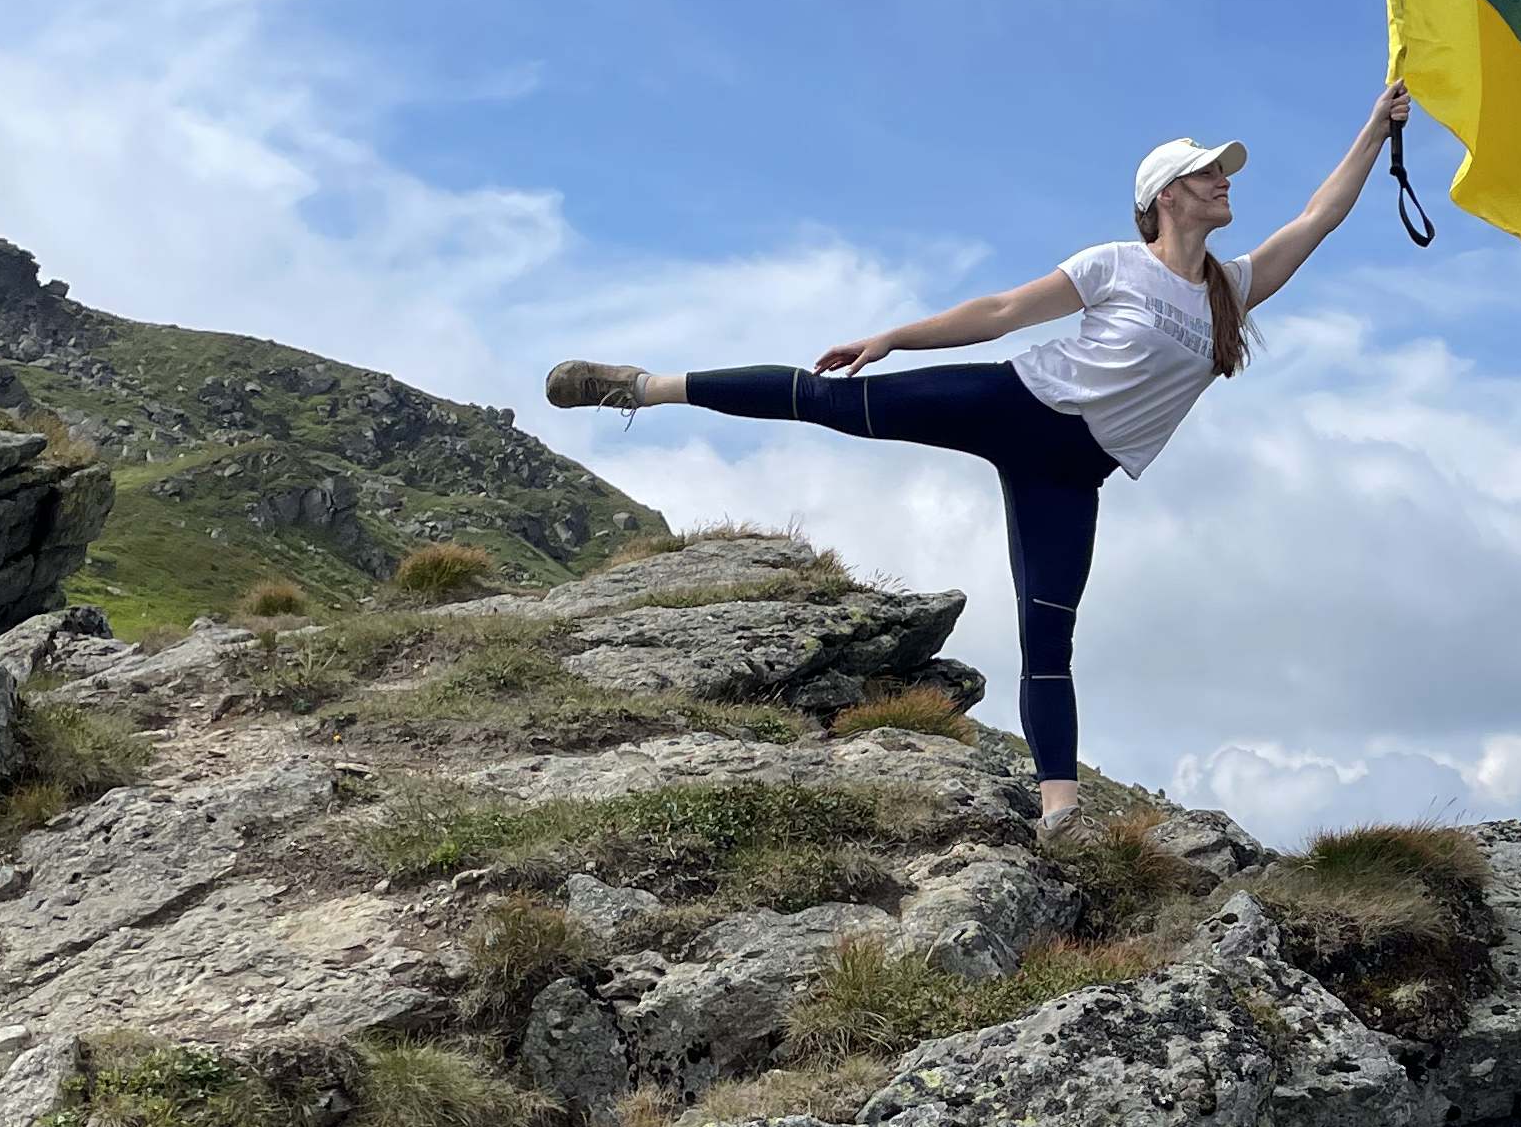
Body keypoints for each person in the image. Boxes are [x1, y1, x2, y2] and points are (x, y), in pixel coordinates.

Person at [545, 79, 1413, 831]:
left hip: (1073, 473)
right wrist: (895, 336)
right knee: (827, 402)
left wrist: (1378, 127)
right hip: (1013, 405)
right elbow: (1001, 312)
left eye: (1224, 171)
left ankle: (1060, 812)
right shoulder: (1116, 265)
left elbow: (1320, 216)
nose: (1224, 181)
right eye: (1207, 172)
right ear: (1164, 196)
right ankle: (642, 386)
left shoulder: (1233, 288)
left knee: (1050, 640)